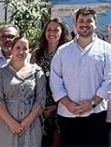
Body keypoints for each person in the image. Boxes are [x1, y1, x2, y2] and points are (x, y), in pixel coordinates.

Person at [50, 7, 111, 147]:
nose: (84, 24)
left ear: (95, 24)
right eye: (81, 20)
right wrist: (68, 103)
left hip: (96, 114)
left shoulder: (106, 49)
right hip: (67, 114)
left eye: (89, 21)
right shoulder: (63, 51)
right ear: (75, 24)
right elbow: (55, 80)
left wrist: (92, 103)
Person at [0, 36, 46, 147]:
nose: (21, 51)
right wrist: (12, 124)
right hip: (5, 124)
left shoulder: (37, 72)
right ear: (11, 50)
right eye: (18, 48)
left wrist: (26, 123)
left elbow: (40, 100)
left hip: (31, 124)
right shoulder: (1, 74)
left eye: (25, 48)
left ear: (29, 50)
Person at [31, 17, 71, 147]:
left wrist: (57, 106)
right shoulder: (37, 54)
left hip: (62, 107)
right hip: (40, 108)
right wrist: (39, 107)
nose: (52, 33)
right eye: (49, 29)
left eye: (56, 30)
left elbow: (71, 82)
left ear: (62, 32)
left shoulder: (68, 54)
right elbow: (30, 82)